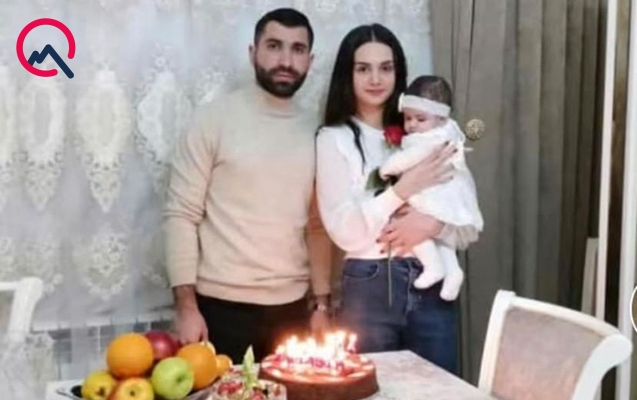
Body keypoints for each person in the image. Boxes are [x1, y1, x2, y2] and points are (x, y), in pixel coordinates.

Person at [164, 8, 332, 363]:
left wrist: (321, 304)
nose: (285, 60)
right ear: (253, 52)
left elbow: (317, 226)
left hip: (293, 312)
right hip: (219, 311)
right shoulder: (213, 120)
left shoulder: (320, 132)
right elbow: (181, 215)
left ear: (310, 60)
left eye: (297, 49)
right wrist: (186, 307)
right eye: (274, 46)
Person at [315, 23, 476, 374]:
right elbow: (345, 233)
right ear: (347, 74)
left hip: (433, 287)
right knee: (373, 388)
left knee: (438, 389)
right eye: (363, 68)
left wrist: (432, 225)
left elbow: (466, 220)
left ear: (398, 73)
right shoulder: (333, 139)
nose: (376, 79)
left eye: (386, 68)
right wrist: (400, 191)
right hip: (370, 285)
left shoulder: (427, 132)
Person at [378, 75, 483, 301]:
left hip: (435, 192)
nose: (412, 125)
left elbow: (409, 158)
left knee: (412, 223)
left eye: (420, 119)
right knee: (439, 236)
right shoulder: (447, 132)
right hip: (445, 192)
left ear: (440, 118)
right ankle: (453, 271)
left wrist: (387, 168)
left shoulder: (430, 140)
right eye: (407, 118)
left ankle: (433, 266)